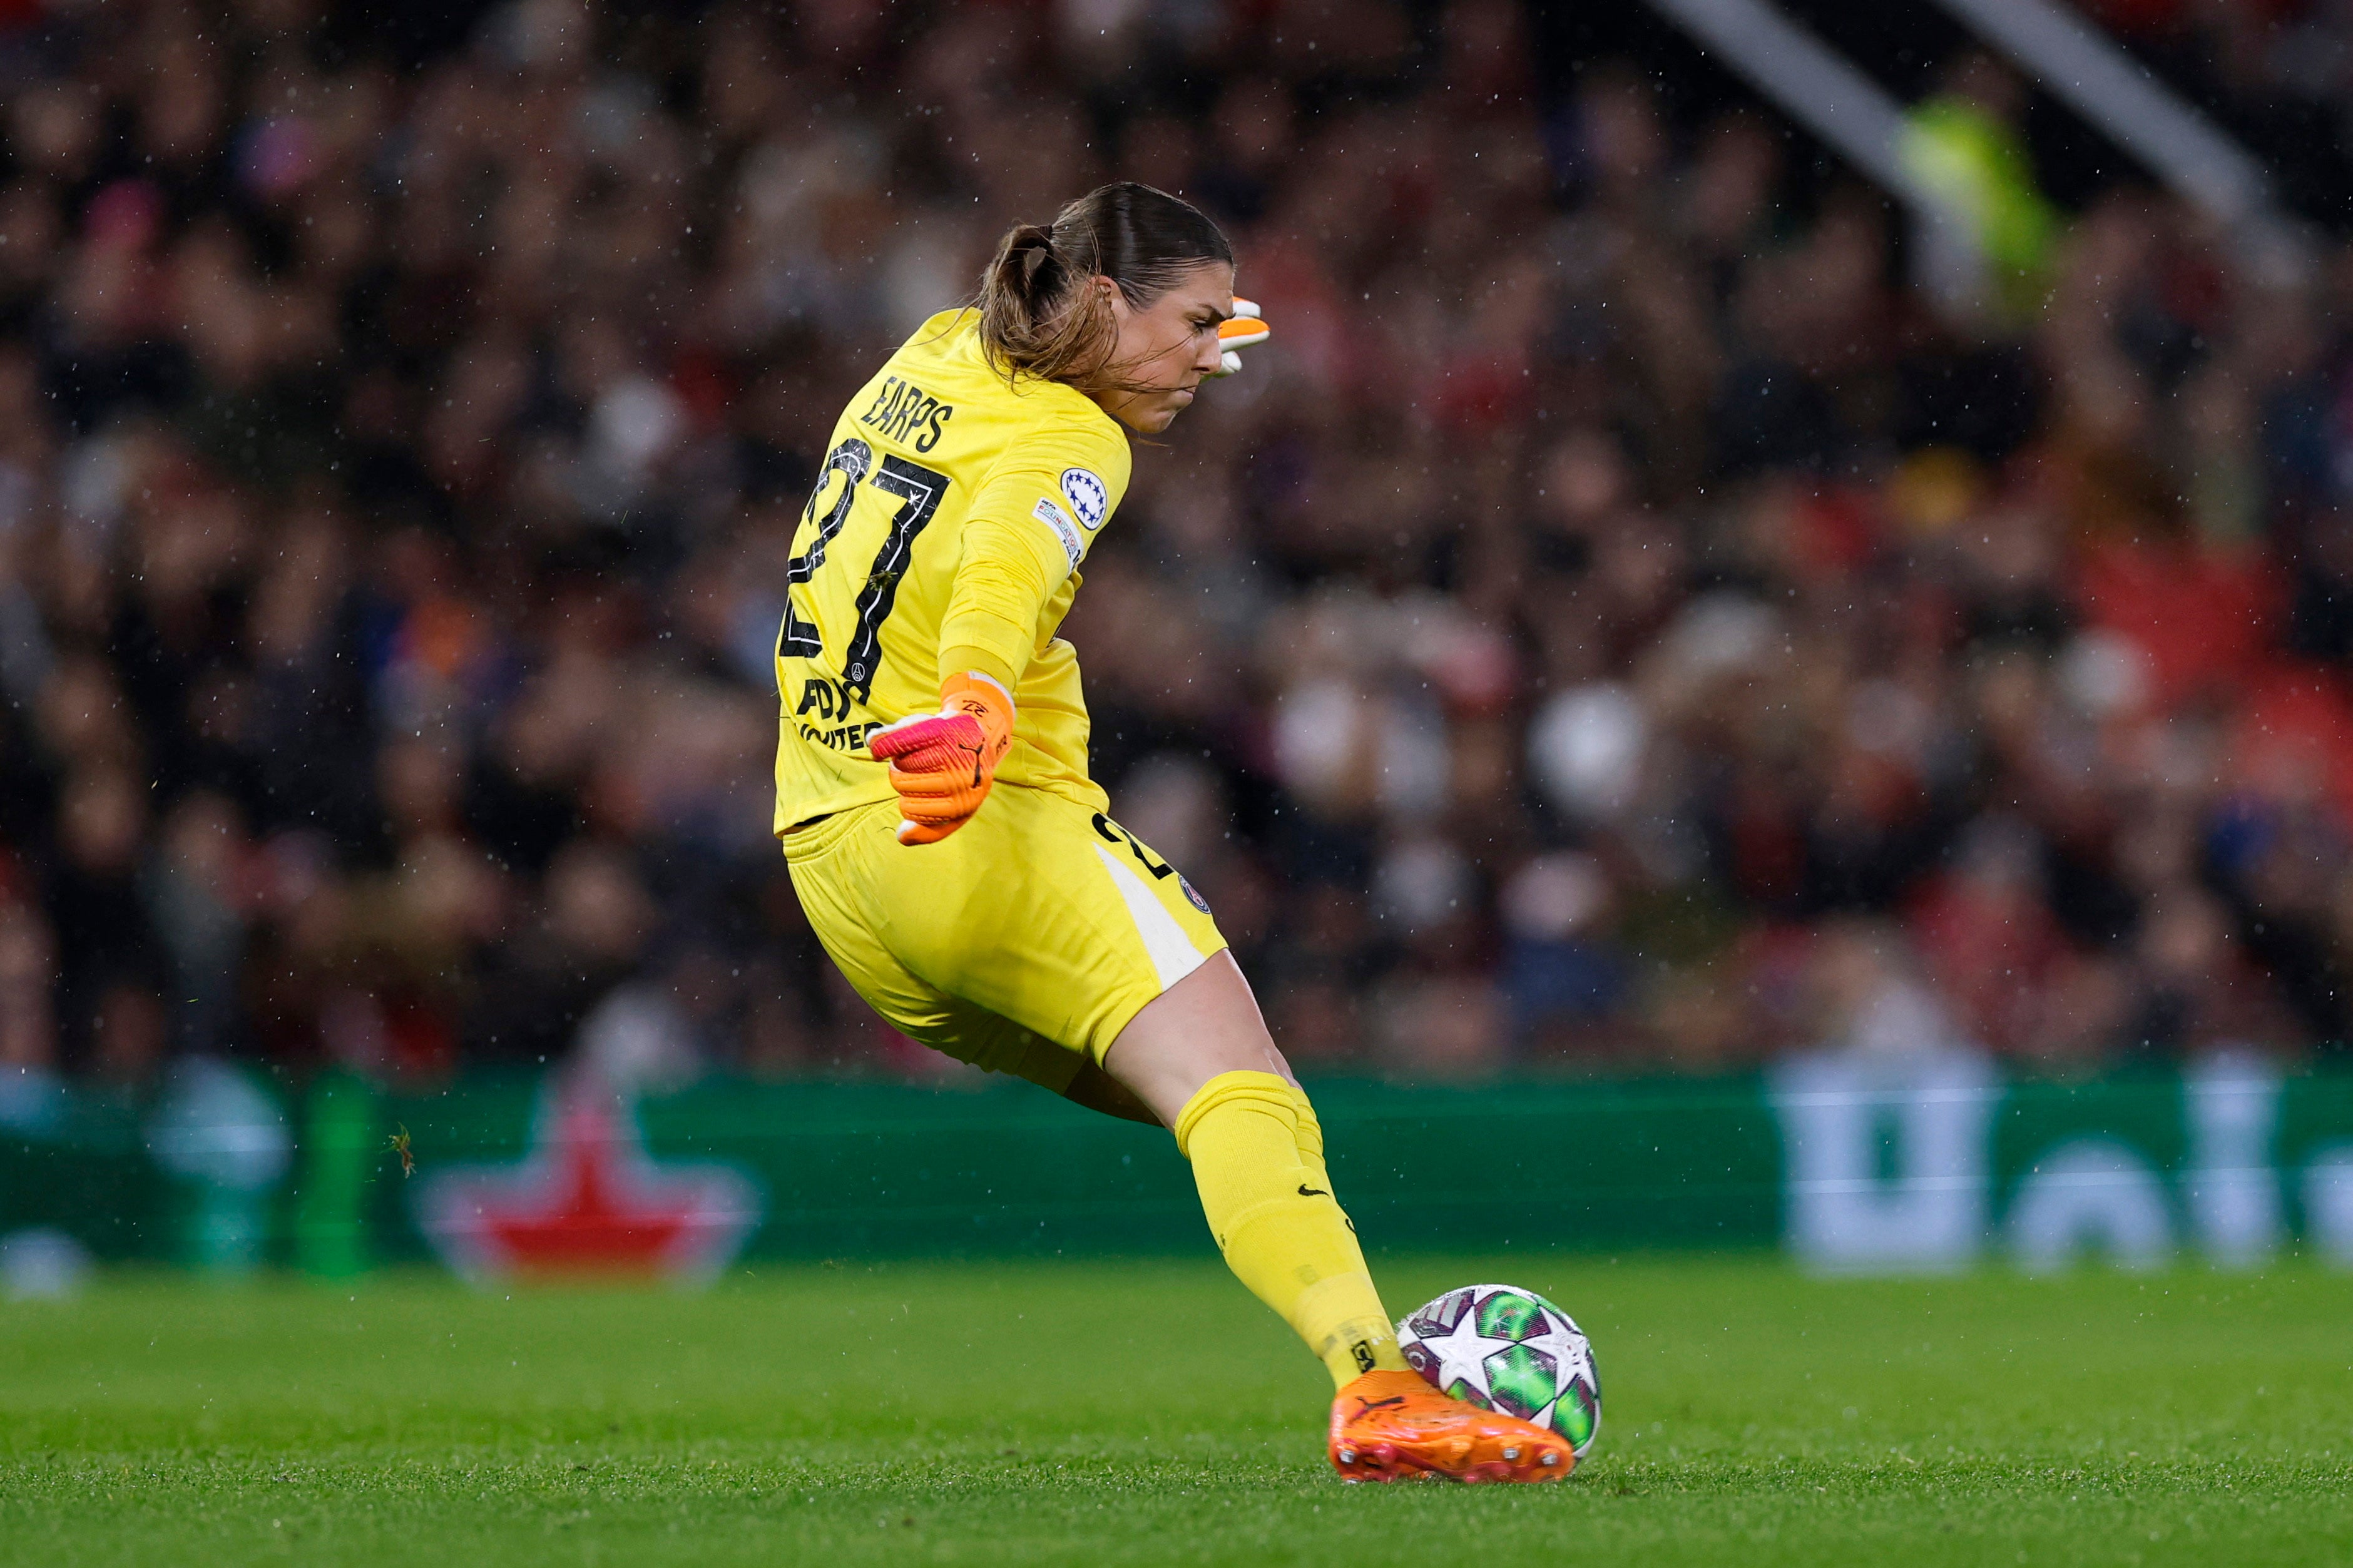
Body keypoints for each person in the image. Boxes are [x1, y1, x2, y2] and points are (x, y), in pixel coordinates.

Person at [770, 181, 1572, 1484]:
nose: (1217, 356)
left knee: (1212, 1106)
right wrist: (974, 705)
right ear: (1100, 303)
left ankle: (1362, 1338)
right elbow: (1000, 571)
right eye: (1199, 323)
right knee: (1244, 1087)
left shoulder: (928, 353)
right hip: (979, 828)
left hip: (838, 863)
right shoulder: (1078, 441)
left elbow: (960, 505)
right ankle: (1375, 1383)